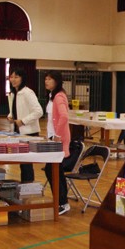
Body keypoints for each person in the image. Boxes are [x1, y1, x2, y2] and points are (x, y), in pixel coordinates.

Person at [43, 71, 72, 215]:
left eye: (49, 79)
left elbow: (64, 116)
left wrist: (58, 135)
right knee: (55, 170)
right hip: (52, 138)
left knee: (53, 169)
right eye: (45, 79)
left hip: (58, 140)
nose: (46, 81)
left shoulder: (59, 96)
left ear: (56, 81)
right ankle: (61, 201)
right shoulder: (52, 96)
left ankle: (62, 202)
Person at [7, 68, 43, 182]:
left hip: (29, 132)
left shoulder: (28, 92)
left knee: (26, 164)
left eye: (16, 77)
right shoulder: (13, 93)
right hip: (18, 132)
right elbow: (15, 110)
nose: (13, 79)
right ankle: (25, 185)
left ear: (22, 79)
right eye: (11, 77)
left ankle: (28, 186)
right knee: (22, 163)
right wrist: (10, 116)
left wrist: (23, 121)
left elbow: (39, 111)